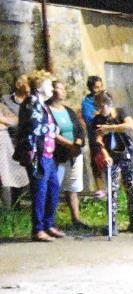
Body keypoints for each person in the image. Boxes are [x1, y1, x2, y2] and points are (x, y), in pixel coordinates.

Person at [91, 92, 133, 236]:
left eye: (103, 107)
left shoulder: (122, 112)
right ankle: (112, 223)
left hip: (127, 155)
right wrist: (105, 155)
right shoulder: (97, 119)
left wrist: (110, 128)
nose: (101, 110)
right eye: (99, 107)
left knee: (132, 188)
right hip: (112, 157)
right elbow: (98, 140)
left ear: (110, 104)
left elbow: (130, 126)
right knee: (112, 190)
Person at [15, 72, 62, 242]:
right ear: (40, 86)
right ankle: (38, 229)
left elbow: (50, 125)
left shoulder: (43, 104)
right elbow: (34, 129)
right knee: (40, 192)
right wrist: (52, 130)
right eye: (49, 85)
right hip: (37, 154)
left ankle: (48, 224)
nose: (52, 88)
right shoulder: (31, 102)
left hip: (48, 154)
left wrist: (54, 129)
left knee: (53, 189)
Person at [48, 80, 90, 231]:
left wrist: (77, 144)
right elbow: (51, 132)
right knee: (53, 188)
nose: (62, 91)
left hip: (74, 155)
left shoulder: (68, 110)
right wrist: (69, 145)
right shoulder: (46, 110)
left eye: (63, 89)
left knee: (73, 188)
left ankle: (76, 219)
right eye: (59, 88)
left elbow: (79, 129)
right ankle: (49, 223)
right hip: (57, 156)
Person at [0, 75, 31, 209]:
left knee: (15, 175)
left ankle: (14, 207)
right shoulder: (5, 100)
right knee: (4, 178)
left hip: (16, 142)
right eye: (26, 83)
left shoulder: (32, 100)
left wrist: (2, 119)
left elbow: (15, 120)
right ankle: (8, 209)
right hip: (8, 141)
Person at [81, 75, 106, 200]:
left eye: (101, 86)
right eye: (97, 87)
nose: (100, 89)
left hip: (108, 135)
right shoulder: (87, 102)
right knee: (97, 163)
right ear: (91, 88)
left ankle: (113, 188)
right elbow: (90, 119)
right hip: (95, 137)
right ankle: (101, 190)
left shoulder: (106, 98)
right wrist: (100, 113)